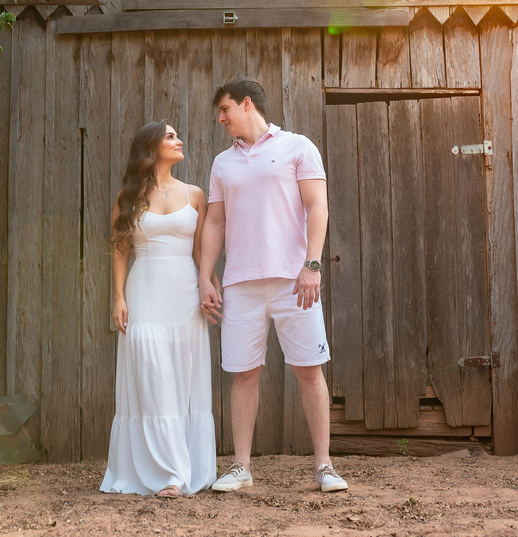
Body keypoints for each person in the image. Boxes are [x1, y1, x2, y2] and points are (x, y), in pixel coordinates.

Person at [197, 78, 348, 494]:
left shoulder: (298, 147)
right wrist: (203, 277)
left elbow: (318, 206)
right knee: (243, 374)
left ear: (247, 104)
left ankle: (324, 467)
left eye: (225, 110)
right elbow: (214, 222)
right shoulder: (222, 164)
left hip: (294, 282)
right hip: (240, 284)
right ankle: (241, 467)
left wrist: (312, 265)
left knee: (308, 371)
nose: (221, 119)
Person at [100, 121, 218, 498]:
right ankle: (166, 473)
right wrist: (118, 296)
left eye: (177, 135)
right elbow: (120, 249)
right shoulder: (128, 197)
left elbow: (201, 252)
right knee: (152, 376)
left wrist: (209, 283)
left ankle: (183, 470)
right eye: (170, 136)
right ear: (150, 147)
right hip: (145, 291)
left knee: (183, 377)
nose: (179, 140)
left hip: (185, 294)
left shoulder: (195, 195)